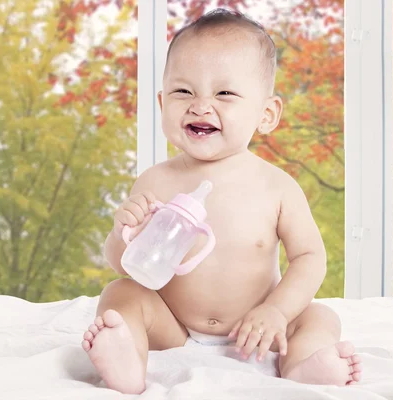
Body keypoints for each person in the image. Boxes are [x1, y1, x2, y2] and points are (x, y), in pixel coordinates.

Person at [81, 8, 362, 394]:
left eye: (224, 93)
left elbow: (310, 258)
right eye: (184, 91)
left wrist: (277, 311)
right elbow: (126, 265)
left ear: (266, 114)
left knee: (320, 317)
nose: (200, 105)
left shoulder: (276, 186)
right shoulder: (155, 180)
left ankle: (303, 364)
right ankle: (128, 359)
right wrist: (122, 232)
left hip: (259, 328)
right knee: (120, 293)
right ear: (163, 104)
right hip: (173, 326)